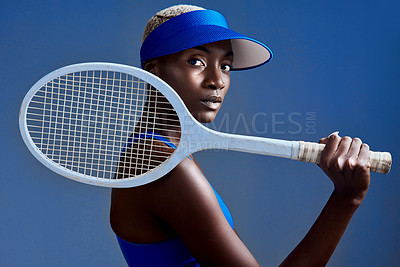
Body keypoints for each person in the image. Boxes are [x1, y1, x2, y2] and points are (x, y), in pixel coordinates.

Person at [110, 4, 371, 266]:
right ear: (153, 70)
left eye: (226, 65)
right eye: (196, 61)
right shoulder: (166, 166)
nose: (217, 80)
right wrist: (346, 198)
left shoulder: (156, 152)